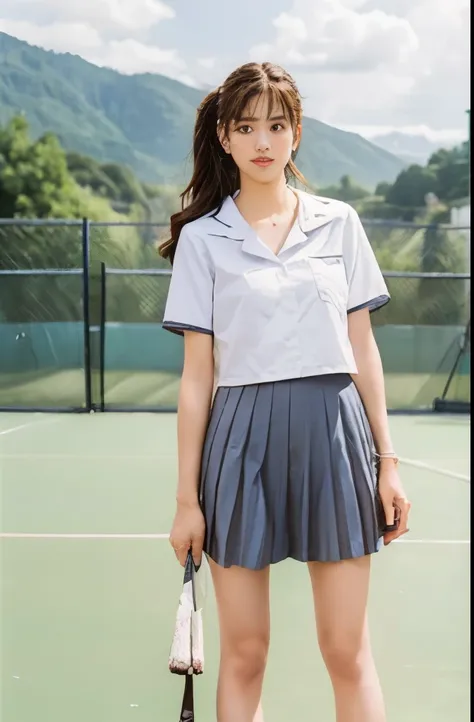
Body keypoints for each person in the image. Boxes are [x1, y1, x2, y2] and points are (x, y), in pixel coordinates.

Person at [160, 62, 411, 722]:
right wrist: (186, 500)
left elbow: (363, 350)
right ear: (225, 137)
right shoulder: (202, 240)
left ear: (296, 133)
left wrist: (388, 462)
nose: (263, 141)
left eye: (276, 125)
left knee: (345, 649)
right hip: (239, 442)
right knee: (244, 653)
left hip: (336, 436)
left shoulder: (339, 224)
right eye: (247, 127)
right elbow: (196, 378)